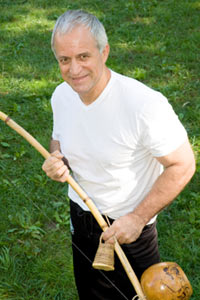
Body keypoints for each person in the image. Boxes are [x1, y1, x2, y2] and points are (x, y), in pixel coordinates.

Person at [42, 9, 196, 300]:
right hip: (82, 221)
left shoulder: (144, 105)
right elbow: (58, 138)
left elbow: (183, 164)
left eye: (83, 56)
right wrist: (58, 158)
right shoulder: (61, 95)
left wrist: (138, 218)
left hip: (130, 231)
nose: (74, 70)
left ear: (105, 52)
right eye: (65, 60)